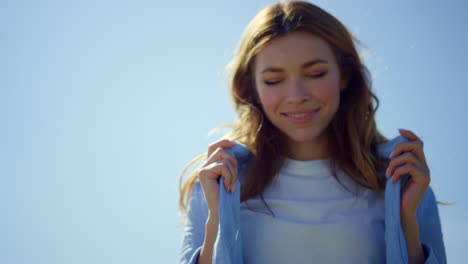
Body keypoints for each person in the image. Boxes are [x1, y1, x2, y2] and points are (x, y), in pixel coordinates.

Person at [178, 1, 446, 263]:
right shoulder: (215, 186)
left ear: (344, 75)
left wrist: (405, 220)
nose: (296, 96)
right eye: (274, 80)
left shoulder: (402, 182)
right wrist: (217, 220)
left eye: (316, 73)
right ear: (251, 89)